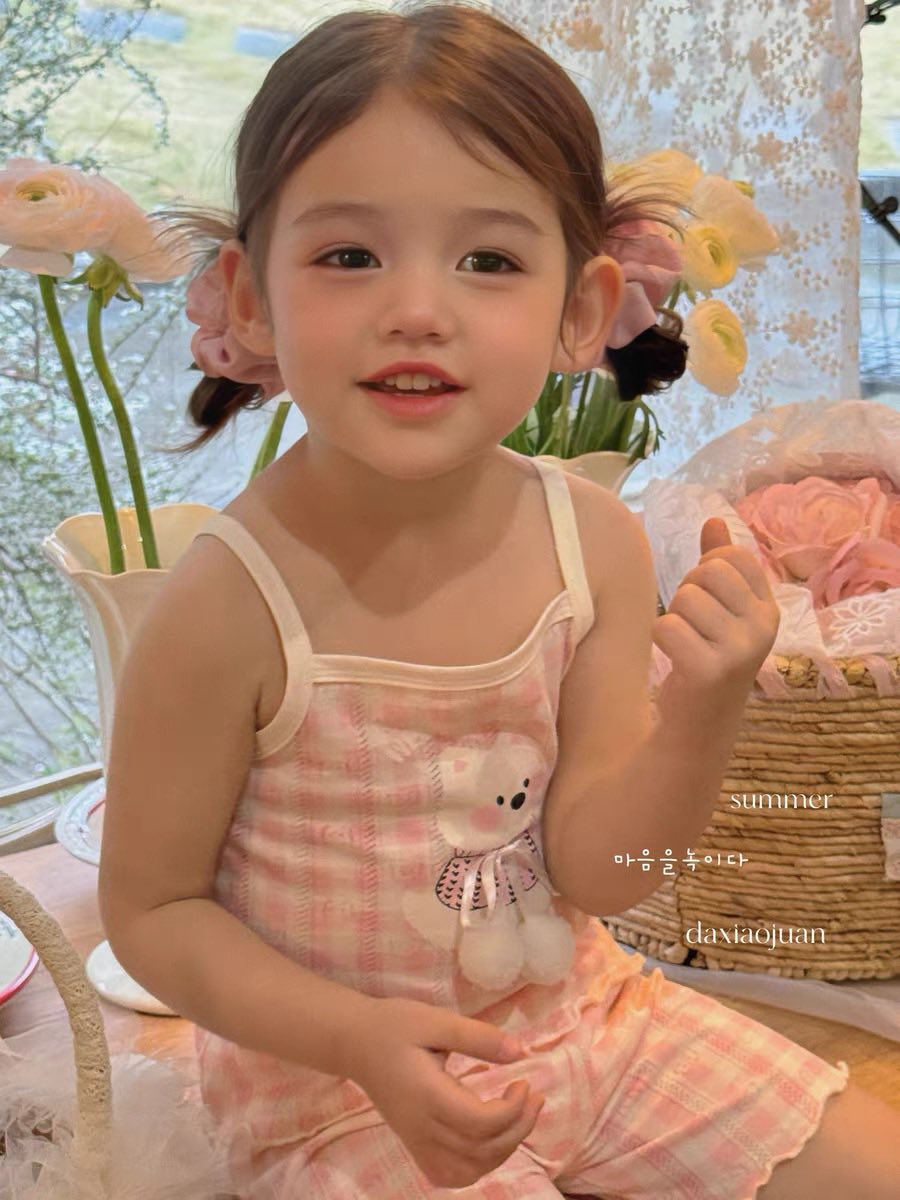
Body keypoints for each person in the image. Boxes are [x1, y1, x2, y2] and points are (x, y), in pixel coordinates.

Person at [97, 3, 900, 1197]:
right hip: (337, 1095)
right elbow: (153, 911)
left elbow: (605, 872)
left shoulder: (595, 543)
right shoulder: (227, 602)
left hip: (596, 1030)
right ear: (250, 299)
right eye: (349, 255)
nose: (419, 308)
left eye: (488, 261)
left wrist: (703, 712)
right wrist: (356, 1039)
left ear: (581, 312)